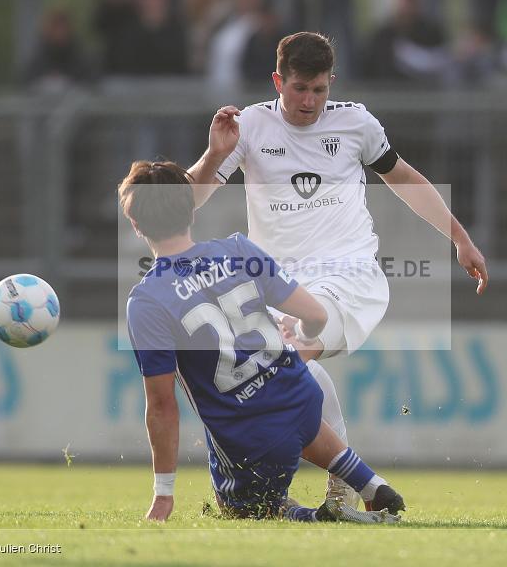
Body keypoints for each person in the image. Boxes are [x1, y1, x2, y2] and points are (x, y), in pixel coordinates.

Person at [187, 32, 488, 508]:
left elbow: (405, 179)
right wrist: (213, 155)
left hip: (348, 276)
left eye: (319, 89)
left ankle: (323, 484)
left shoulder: (355, 124)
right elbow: (186, 202)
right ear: (277, 81)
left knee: (285, 358)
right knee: (280, 370)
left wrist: (460, 238)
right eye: (299, 88)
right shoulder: (248, 127)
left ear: (332, 82)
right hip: (276, 287)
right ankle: (342, 483)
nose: (309, 101)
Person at [120, 159, 406, 523]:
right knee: (292, 393)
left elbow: (162, 406)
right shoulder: (240, 249)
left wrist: (163, 494)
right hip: (301, 398)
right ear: (191, 212)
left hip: (250, 434)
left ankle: (320, 519)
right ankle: (368, 482)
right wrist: (300, 334)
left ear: (135, 224)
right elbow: (317, 315)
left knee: (240, 508)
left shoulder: (147, 300)